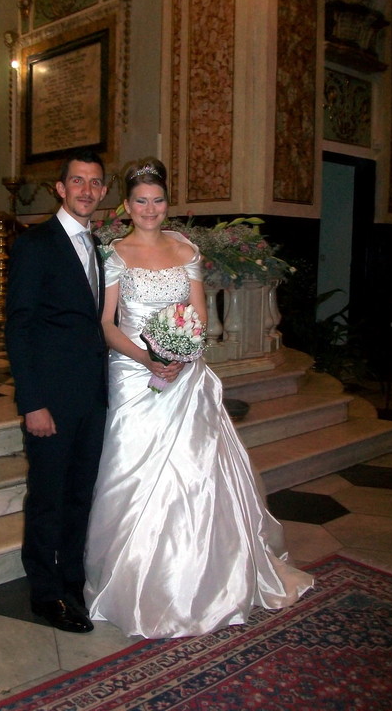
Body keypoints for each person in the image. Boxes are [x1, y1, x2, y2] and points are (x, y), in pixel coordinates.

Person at [84, 156, 313, 639]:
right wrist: (148, 358)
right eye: (141, 201)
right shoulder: (114, 255)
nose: (150, 209)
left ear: (167, 203)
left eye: (158, 200)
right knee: (132, 470)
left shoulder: (186, 249)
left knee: (197, 471)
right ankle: (134, 579)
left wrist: (181, 354)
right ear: (126, 205)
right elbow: (106, 323)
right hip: (133, 374)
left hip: (186, 375)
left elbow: (200, 316)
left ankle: (209, 576)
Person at [6, 148, 108, 634]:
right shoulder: (36, 244)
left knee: (80, 496)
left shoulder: (99, 246)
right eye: (78, 181)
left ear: (103, 192)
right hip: (50, 400)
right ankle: (46, 594)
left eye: (95, 182)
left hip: (93, 397)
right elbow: (19, 327)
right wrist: (32, 403)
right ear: (61, 189)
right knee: (47, 498)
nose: (87, 190)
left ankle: (72, 582)